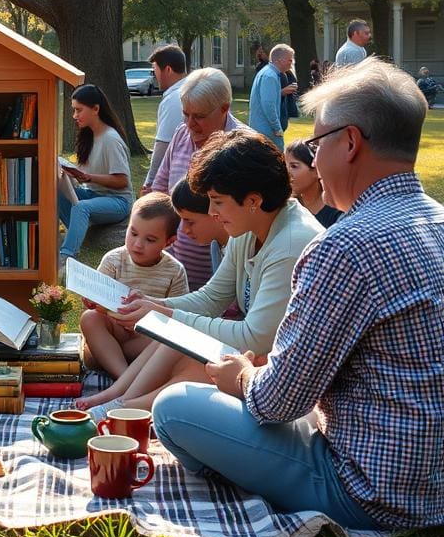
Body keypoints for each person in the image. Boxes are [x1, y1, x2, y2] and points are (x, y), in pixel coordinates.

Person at [153, 58, 444, 530]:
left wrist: (241, 376)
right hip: (432, 481)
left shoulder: (345, 246)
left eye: (315, 144)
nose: (310, 162)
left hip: (369, 490)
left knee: (174, 409)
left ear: (349, 143)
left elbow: (276, 403)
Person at [100, 131, 323, 415]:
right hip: (258, 364)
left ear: (253, 200)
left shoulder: (291, 244)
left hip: (283, 385)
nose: (212, 212)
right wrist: (156, 307)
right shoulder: (251, 224)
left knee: (196, 353)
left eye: (217, 201)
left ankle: (124, 409)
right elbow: (211, 298)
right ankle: (119, 402)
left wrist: (166, 315)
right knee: (181, 334)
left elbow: (255, 338)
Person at [76, 193, 188, 409]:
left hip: (145, 341)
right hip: (114, 337)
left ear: (169, 241)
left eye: (150, 240)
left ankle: (125, 381)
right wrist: (91, 300)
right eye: (133, 233)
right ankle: (125, 378)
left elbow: (177, 318)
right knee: (90, 318)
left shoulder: (175, 271)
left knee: (172, 338)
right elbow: (96, 301)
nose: (137, 244)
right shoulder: (114, 260)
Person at [151, 67, 242, 290]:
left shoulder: (243, 147)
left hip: (219, 281)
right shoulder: (181, 134)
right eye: (185, 114)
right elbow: (160, 191)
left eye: (199, 116)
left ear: (224, 109)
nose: (190, 123)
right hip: (173, 272)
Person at [58, 84, 133, 268]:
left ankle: (67, 256)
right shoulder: (89, 135)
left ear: (96, 109)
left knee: (81, 208)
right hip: (93, 194)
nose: (75, 116)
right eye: (74, 110)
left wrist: (88, 177)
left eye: (78, 110)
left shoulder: (110, 139)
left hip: (118, 201)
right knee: (55, 194)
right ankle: (77, 235)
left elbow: (121, 181)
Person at [141, 46, 188, 194]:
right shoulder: (187, 91)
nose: (154, 75)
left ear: (167, 70)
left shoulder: (175, 99)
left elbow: (163, 145)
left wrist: (150, 183)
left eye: (155, 69)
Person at [284, 139, 342, 227]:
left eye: (294, 166)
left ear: (316, 170)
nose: (286, 172)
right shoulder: (286, 205)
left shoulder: (337, 213)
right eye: (285, 165)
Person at [248, 43, 294, 151]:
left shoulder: (270, 74)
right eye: (290, 60)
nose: (291, 64)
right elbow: (268, 105)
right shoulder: (270, 76)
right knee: (275, 163)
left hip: (264, 131)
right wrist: (277, 128)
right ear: (279, 60)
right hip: (267, 132)